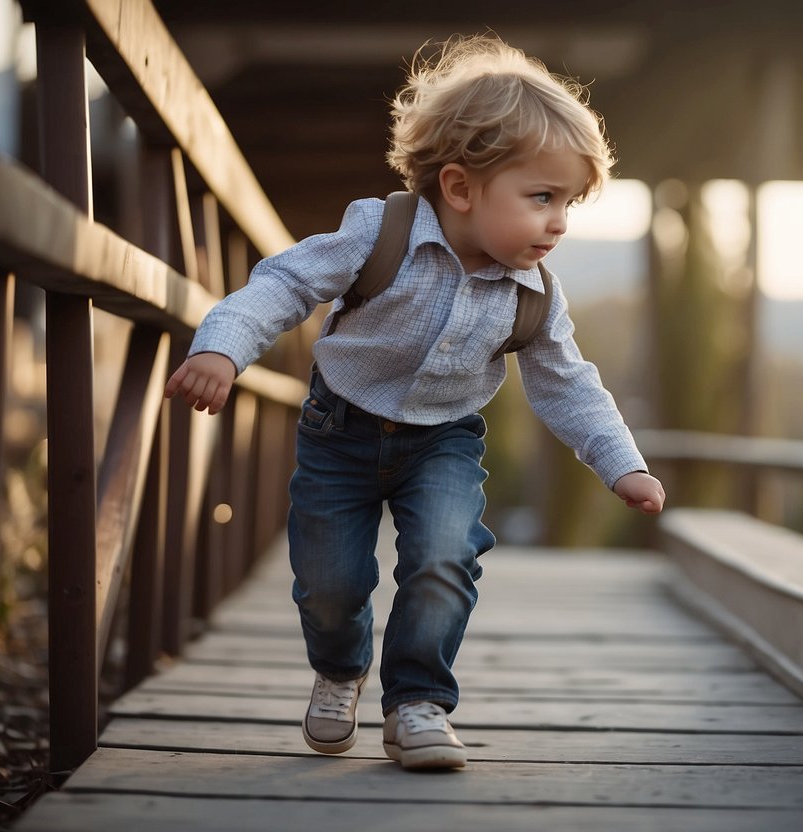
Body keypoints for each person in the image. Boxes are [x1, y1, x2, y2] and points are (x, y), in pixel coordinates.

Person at [163, 33, 665, 771]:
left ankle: (418, 703)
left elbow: (567, 382)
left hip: (442, 441)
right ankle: (340, 670)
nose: (559, 222)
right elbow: (285, 283)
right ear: (460, 188)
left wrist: (623, 464)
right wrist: (222, 346)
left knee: (443, 559)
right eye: (541, 198)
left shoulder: (535, 295)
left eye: (568, 203)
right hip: (339, 430)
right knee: (330, 584)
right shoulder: (380, 231)